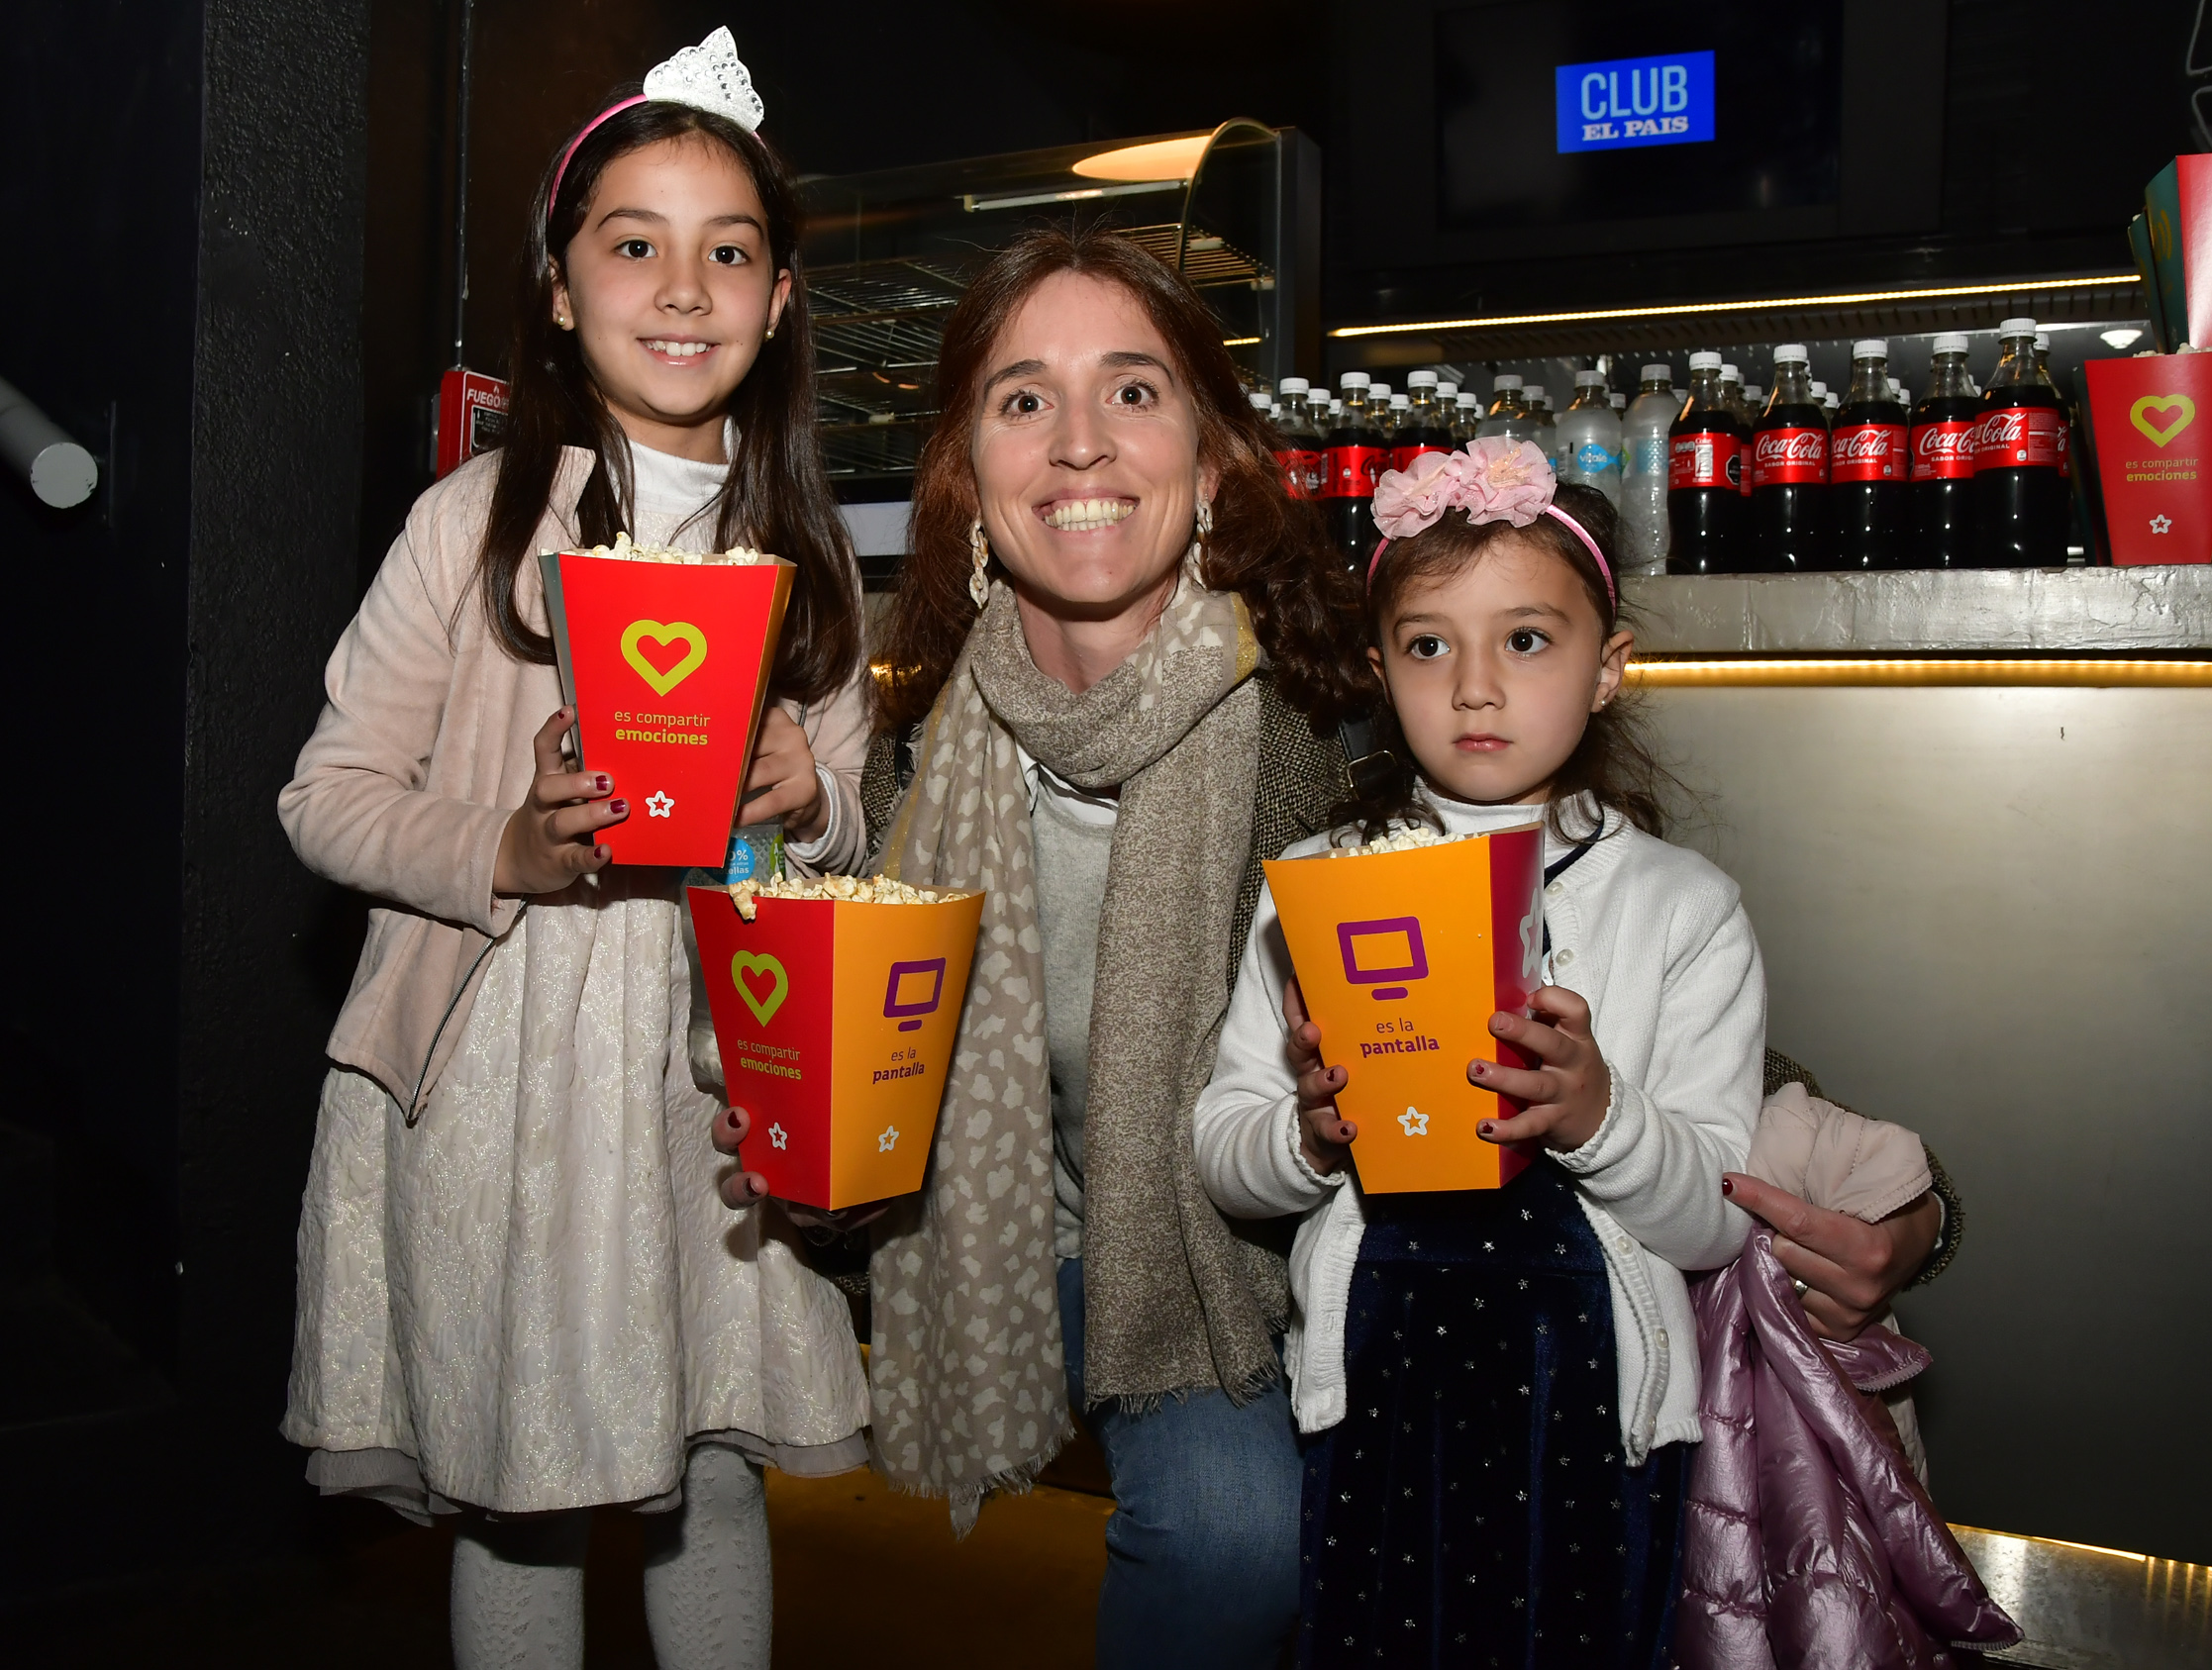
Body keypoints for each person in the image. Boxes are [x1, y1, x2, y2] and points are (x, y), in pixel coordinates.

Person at [277, 30, 869, 1669]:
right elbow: (326, 793)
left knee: (712, 1464)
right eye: (634, 242)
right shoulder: (468, 525)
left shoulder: (806, 555)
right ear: (558, 288)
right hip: (509, 1084)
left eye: (727, 249)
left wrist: (805, 788)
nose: (682, 286)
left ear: (776, 299)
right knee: (523, 1485)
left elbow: (852, 832)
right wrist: (506, 847)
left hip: (706, 1087)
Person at [713, 224, 1379, 1666]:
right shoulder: (911, 747)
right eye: (1023, 399)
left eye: (1132, 392)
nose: (1079, 446)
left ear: (1211, 460)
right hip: (1006, 1242)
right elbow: (866, 1093)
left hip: (1209, 1265)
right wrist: (804, 1132)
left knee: (1233, 1540)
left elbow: (1571, 932)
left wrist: (1853, 1168)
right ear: (968, 475)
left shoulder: (1328, 727)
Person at [1189, 438, 1944, 1666]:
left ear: (1609, 668)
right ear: (1379, 669)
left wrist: (1601, 1116)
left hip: (1595, 1407)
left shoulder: (1682, 906)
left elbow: (1711, 1219)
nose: (1475, 686)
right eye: (1428, 644)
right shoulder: (1316, 889)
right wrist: (1307, 1134)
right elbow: (1226, 1155)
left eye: (1527, 640)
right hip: (1375, 1393)